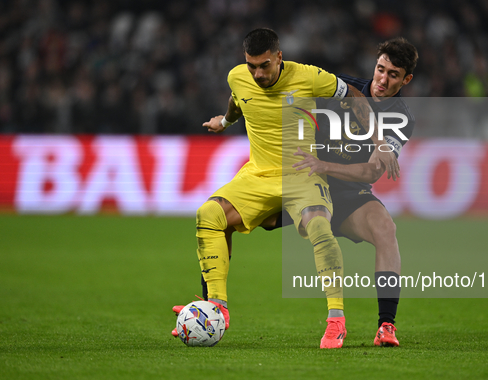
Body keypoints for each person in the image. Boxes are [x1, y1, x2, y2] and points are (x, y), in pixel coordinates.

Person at [171, 28, 391, 348]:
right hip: (258, 175)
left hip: (302, 172)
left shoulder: (311, 77)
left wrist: (379, 142)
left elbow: (355, 97)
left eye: (264, 65)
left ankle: (336, 320)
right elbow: (238, 100)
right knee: (208, 214)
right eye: (251, 66)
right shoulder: (239, 76)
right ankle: (216, 306)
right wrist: (226, 122)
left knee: (319, 227)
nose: (257, 73)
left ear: (279, 58)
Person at [265, 37, 418, 347]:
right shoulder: (342, 87)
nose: (383, 80)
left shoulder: (402, 119)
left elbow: (372, 172)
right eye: (380, 70)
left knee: (386, 228)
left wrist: (322, 164)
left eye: (393, 74)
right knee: (241, 214)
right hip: (305, 180)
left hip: (348, 193)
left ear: (406, 79)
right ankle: (210, 302)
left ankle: (386, 326)